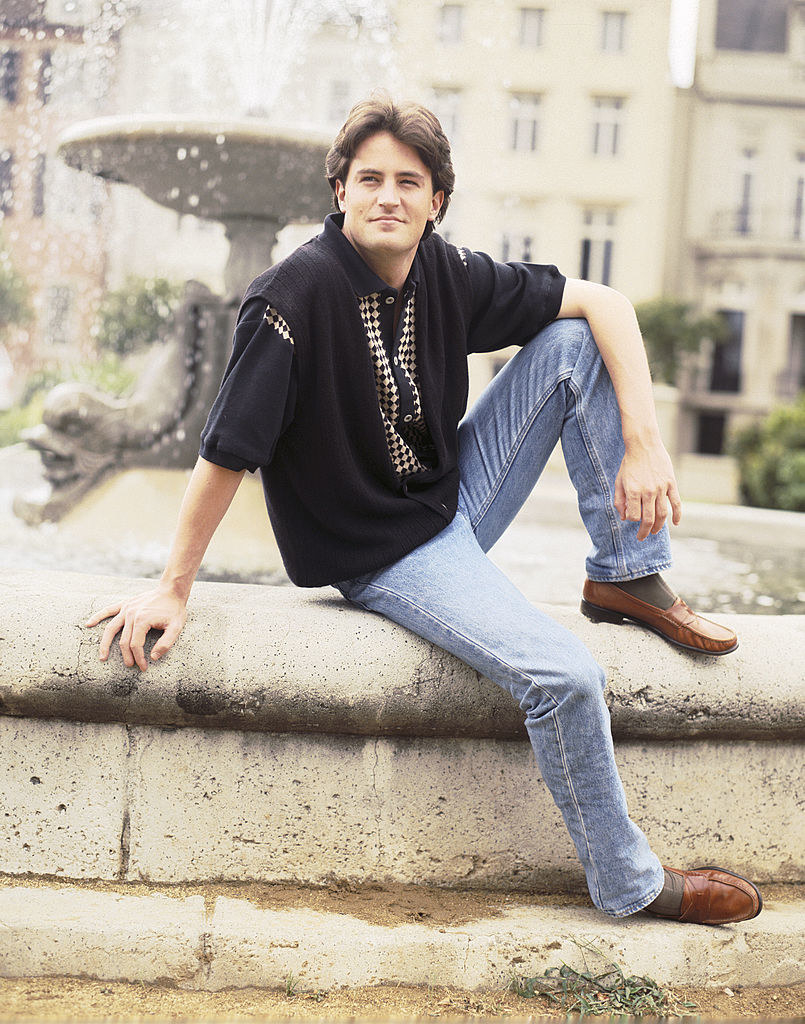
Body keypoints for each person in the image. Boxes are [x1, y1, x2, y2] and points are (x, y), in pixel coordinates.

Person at [86, 96, 761, 926]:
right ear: (339, 190)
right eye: (369, 179)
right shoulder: (289, 300)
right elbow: (225, 454)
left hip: (447, 499)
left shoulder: (445, 269)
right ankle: (629, 881)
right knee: (566, 675)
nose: (388, 198)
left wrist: (644, 441)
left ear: (435, 200)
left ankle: (624, 575)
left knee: (574, 342)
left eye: (409, 182)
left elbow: (608, 302)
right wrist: (173, 587)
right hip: (382, 552)